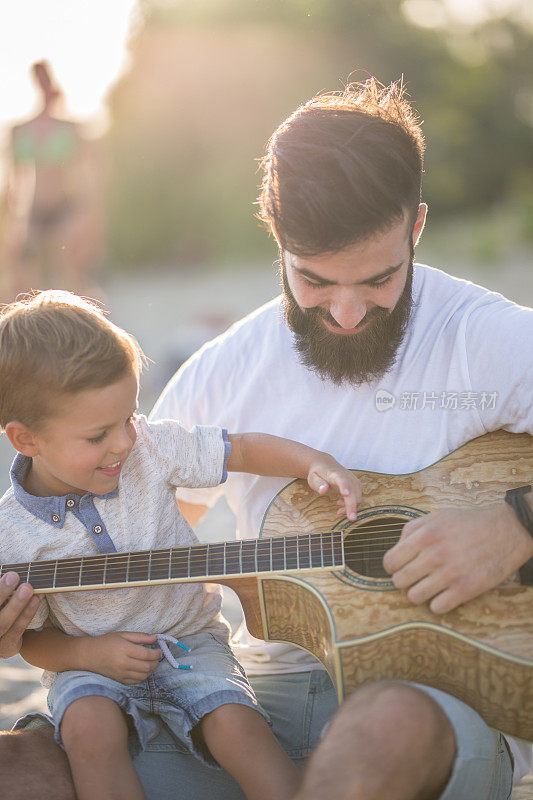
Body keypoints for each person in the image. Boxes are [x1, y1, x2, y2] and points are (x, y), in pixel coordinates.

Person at [1, 77, 532, 800]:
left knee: (382, 727)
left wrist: (513, 523)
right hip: (252, 698)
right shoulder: (223, 371)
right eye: (313, 280)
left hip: (422, 703)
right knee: (21, 767)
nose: (346, 312)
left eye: (378, 279)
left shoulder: (489, 338)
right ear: (275, 235)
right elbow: (129, 552)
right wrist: (30, 628)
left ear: (415, 228)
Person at [0, 290, 361, 800]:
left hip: (190, 638)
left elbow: (240, 448)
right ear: (26, 439)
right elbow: (30, 640)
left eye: (129, 416)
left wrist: (311, 462)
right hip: (89, 660)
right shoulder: (11, 534)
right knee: (87, 730)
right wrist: (88, 653)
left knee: (237, 724)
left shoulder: (149, 449)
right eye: (98, 434)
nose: (124, 442)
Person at [0, 61, 104, 301]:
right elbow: (13, 182)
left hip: (63, 206)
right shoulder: (22, 130)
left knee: (69, 271)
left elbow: (86, 174)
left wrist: (88, 214)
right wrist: (12, 222)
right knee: (23, 271)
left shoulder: (68, 129)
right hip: (34, 209)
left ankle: (77, 321)